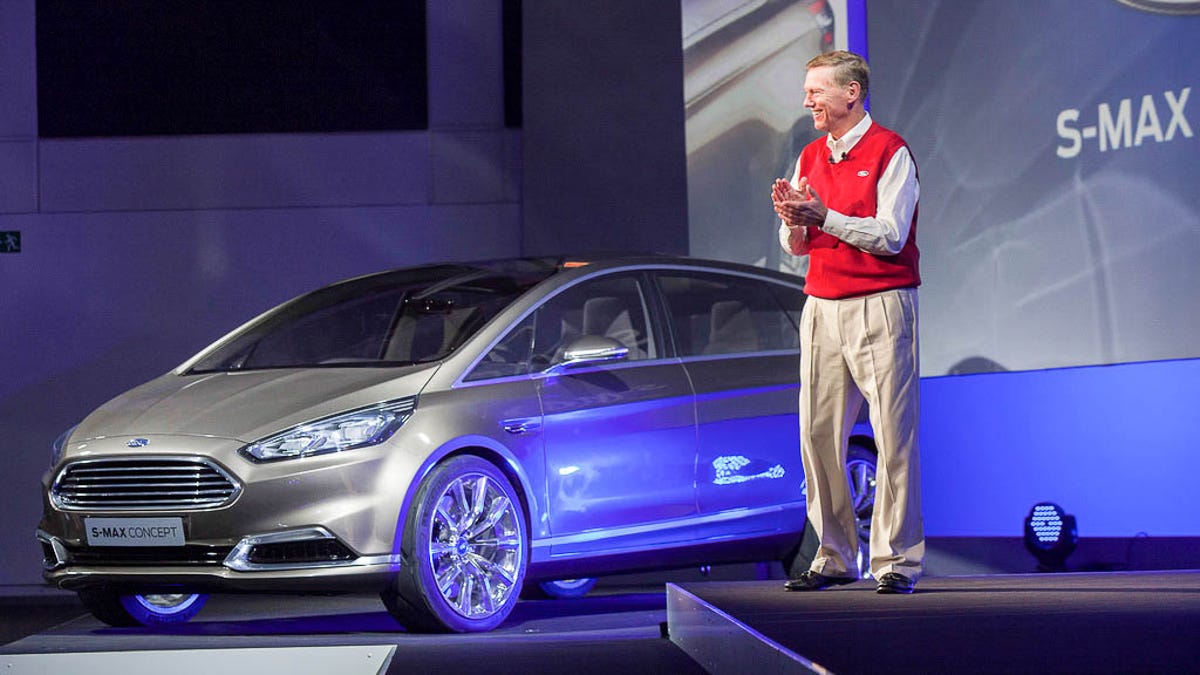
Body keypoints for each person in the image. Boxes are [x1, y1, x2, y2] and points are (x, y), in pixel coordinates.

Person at [771, 50, 923, 595]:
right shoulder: (809, 155)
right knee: (817, 436)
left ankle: (897, 561)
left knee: (893, 436)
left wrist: (823, 217)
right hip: (822, 306)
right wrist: (793, 223)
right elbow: (797, 246)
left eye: (816, 90)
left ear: (851, 93)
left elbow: (890, 235)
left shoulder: (890, 152)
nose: (807, 99)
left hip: (881, 303)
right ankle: (835, 555)